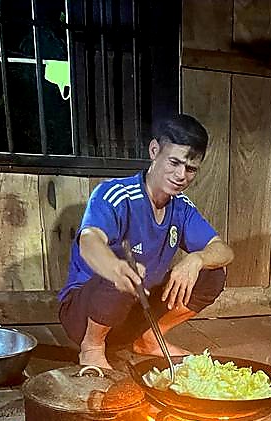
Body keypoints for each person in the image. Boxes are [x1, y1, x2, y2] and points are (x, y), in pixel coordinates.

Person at [58, 114, 234, 370]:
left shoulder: (181, 207)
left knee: (213, 272)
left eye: (190, 169)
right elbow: (89, 240)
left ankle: (149, 338)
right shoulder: (116, 194)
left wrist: (197, 259)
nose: (181, 175)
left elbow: (223, 250)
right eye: (174, 162)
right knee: (126, 267)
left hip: (136, 308)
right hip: (84, 314)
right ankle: (92, 348)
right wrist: (115, 268)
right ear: (154, 151)